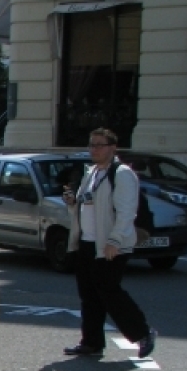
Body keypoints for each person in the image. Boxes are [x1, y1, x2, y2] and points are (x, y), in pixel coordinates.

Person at [61, 127, 156, 359]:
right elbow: (87, 204)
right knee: (89, 295)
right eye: (91, 144)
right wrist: (73, 202)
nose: (94, 149)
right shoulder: (91, 172)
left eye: (99, 145)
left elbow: (126, 212)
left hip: (110, 244)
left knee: (110, 292)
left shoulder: (122, 173)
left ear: (113, 148)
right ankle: (92, 343)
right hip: (87, 243)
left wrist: (114, 240)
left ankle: (143, 333)